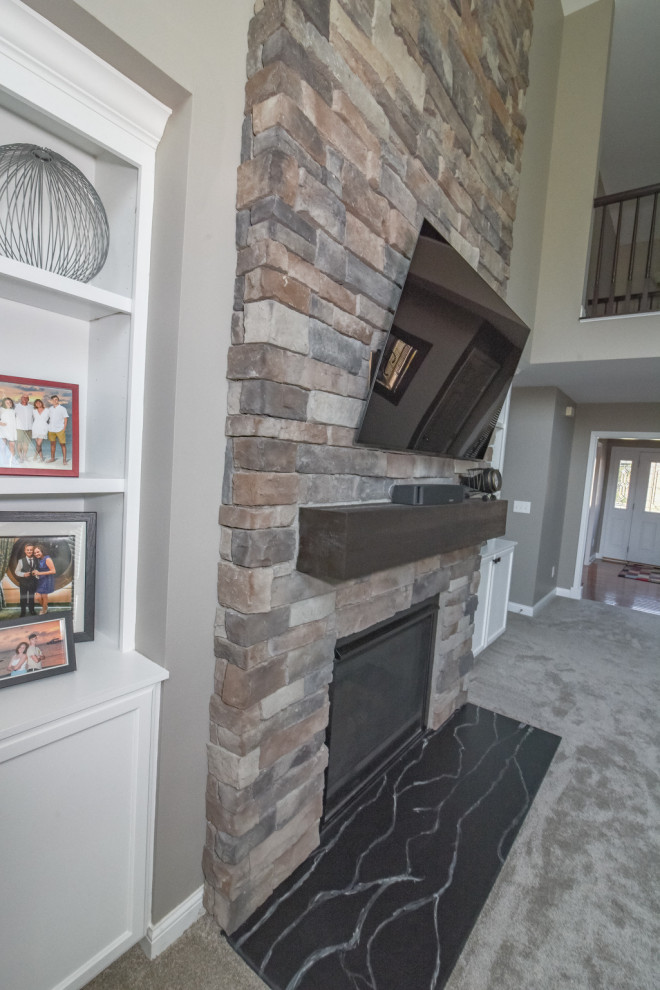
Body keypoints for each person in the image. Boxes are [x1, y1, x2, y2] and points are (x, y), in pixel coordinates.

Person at [15, 543, 38, 616]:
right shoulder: (21, 561)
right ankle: (23, 611)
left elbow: (38, 570)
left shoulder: (36, 560)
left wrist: (36, 574)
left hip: (32, 582)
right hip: (23, 582)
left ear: (33, 551)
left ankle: (32, 610)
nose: (29, 551)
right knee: (23, 597)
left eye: (31, 550)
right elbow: (16, 571)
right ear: (25, 551)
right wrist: (23, 574)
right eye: (27, 550)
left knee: (31, 597)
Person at [33, 544, 56, 614]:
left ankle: (44, 610)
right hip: (41, 579)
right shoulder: (40, 559)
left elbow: (53, 571)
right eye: (35, 553)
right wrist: (36, 572)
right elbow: (41, 570)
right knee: (38, 597)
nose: (36, 554)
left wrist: (39, 573)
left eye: (38, 552)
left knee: (44, 596)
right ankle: (45, 607)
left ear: (42, 551)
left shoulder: (47, 559)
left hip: (47, 580)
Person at [46, 394, 68, 465]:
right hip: (51, 429)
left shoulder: (62, 409)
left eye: (56, 399)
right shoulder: (50, 409)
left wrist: (63, 429)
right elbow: (46, 418)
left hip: (60, 429)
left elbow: (65, 419)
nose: (54, 401)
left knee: (63, 445)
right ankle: (52, 458)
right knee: (52, 444)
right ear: (51, 401)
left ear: (58, 400)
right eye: (53, 400)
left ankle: (64, 460)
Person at [15, 393, 33, 462]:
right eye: (23, 397)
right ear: (21, 398)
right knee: (19, 443)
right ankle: (20, 457)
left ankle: (24, 456)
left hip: (29, 427)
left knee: (26, 443)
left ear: (28, 399)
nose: (25, 399)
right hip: (19, 427)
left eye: (26, 398)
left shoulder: (31, 407)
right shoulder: (16, 406)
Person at [0, 396, 17, 461]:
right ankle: (3, 459)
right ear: (4, 403)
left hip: (12, 430)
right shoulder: (1, 409)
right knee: (3, 446)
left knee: (12, 446)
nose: (9, 403)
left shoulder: (14, 411)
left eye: (10, 402)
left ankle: (11, 460)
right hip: (3, 429)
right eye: (7, 403)